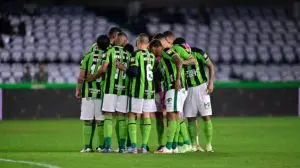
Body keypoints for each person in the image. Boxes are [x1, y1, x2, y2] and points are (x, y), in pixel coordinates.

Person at [150, 35, 196, 154]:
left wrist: (177, 80)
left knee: (171, 115)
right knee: (174, 116)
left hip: (175, 87)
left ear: (156, 47)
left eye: (152, 50)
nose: (152, 53)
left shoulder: (166, 51)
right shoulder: (162, 59)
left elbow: (179, 62)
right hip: (173, 88)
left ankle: (169, 147)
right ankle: (173, 146)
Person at [86, 32, 131, 153]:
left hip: (110, 89)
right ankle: (122, 147)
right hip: (123, 90)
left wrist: (96, 76)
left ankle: (107, 146)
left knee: (108, 117)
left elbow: (104, 68)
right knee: (122, 118)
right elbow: (131, 71)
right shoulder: (128, 54)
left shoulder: (110, 52)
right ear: (124, 41)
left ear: (116, 40)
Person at [173, 39, 215, 152]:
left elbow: (210, 66)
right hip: (188, 89)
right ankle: (193, 144)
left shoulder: (198, 53)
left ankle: (209, 144)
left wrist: (211, 82)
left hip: (202, 88)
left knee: (206, 116)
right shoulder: (175, 57)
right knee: (191, 118)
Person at [75, 35, 110, 153]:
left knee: (88, 120)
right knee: (100, 121)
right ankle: (101, 146)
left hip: (88, 93)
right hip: (102, 94)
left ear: (97, 44)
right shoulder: (108, 56)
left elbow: (81, 76)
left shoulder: (88, 56)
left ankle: (87, 146)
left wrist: (78, 89)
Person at [126, 34, 157, 153]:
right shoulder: (152, 56)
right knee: (146, 116)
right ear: (148, 44)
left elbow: (133, 72)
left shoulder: (136, 54)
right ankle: (144, 146)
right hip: (150, 91)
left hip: (138, 90)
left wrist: (125, 68)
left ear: (138, 43)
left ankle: (133, 146)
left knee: (132, 115)